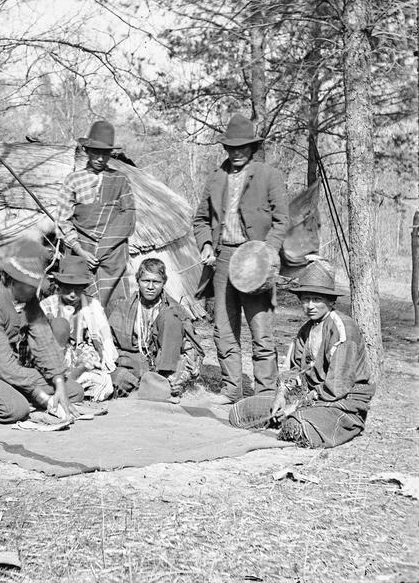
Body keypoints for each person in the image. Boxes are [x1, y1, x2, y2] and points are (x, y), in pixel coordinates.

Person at [193, 113, 289, 405]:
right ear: (225, 148)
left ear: (252, 148)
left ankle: (265, 392)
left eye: (242, 147)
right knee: (223, 328)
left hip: (256, 260)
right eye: (231, 148)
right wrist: (207, 244)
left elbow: (282, 220)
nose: (237, 153)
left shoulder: (268, 175)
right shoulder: (216, 177)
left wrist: (266, 251)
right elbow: (200, 219)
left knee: (260, 330)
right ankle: (232, 388)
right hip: (222, 259)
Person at [229, 260, 375, 448]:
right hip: (306, 396)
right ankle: (288, 415)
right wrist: (282, 395)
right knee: (242, 411)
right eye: (305, 299)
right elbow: (295, 369)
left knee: (296, 425)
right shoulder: (307, 329)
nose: (310, 306)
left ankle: (310, 421)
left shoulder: (343, 329)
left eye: (317, 300)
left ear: (331, 301)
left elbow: (337, 387)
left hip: (340, 402)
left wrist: (296, 405)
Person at [0, 240, 83, 424]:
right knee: (14, 409)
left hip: (9, 373)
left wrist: (59, 383)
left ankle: (14, 393)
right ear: (10, 280)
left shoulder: (30, 302)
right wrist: (41, 397)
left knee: (74, 391)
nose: (34, 290)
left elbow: (44, 342)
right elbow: (1, 365)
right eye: (29, 284)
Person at [56, 120, 136, 310]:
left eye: (105, 153)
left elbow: (128, 218)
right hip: (81, 250)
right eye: (95, 152)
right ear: (86, 150)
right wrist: (80, 250)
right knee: (78, 298)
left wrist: (104, 248)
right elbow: (63, 220)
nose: (100, 158)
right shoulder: (73, 180)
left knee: (115, 304)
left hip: (113, 253)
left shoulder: (120, 179)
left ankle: (110, 336)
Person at [109, 258, 204, 398]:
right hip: (134, 362)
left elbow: (190, 347)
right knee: (116, 379)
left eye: (156, 282)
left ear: (163, 283)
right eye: (146, 281)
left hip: (167, 364)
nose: (150, 287)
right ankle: (147, 383)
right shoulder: (123, 308)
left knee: (170, 318)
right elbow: (111, 345)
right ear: (138, 281)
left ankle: (160, 381)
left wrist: (184, 373)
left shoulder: (174, 310)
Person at [40, 255, 118, 402]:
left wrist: (97, 360)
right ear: (59, 286)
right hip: (54, 362)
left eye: (77, 290)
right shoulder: (46, 306)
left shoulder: (92, 306)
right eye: (68, 289)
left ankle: (71, 387)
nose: (72, 294)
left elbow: (104, 339)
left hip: (84, 362)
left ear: (83, 288)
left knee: (105, 385)